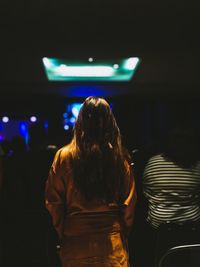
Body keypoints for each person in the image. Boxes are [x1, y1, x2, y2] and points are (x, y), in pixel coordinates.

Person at [45, 96, 137, 267]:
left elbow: (54, 203)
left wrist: (63, 231)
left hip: (75, 240)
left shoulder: (64, 156)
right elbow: (128, 205)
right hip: (111, 242)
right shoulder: (120, 157)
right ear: (110, 121)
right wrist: (121, 233)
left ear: (80, 121)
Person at [143, 126, 200, 266]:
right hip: (191, 232)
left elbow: (147, 194)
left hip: (159, 232)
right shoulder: (197, 166)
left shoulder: (153, 163)